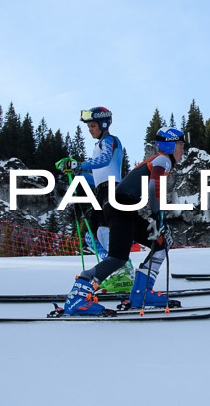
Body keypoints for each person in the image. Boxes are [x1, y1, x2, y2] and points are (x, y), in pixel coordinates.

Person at [62, 127, 186, 314]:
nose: (182, 150)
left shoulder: (160, 160)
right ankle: (77, 298)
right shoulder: (163, 160)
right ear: (168, 146)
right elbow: (154, 187)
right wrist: (156, 217)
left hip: (125, 207)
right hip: (121, 207)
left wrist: (157, 218)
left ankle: (141, 294)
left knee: (161, 244)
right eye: (180, 145)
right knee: (117, 258)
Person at [56, 107, 134, 293]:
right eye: (88, 126)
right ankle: (115, 272)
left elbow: (106, 161)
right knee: (91, 237)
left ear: (103, 124)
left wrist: (79, 165)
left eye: (92, 125)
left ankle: (125, 274)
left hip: (113, 191)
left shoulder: (110, 140)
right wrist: (77, 171)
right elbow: (96, 177)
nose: (90, 129)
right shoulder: (97, 146)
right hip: (101, 192)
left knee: (106, 233)